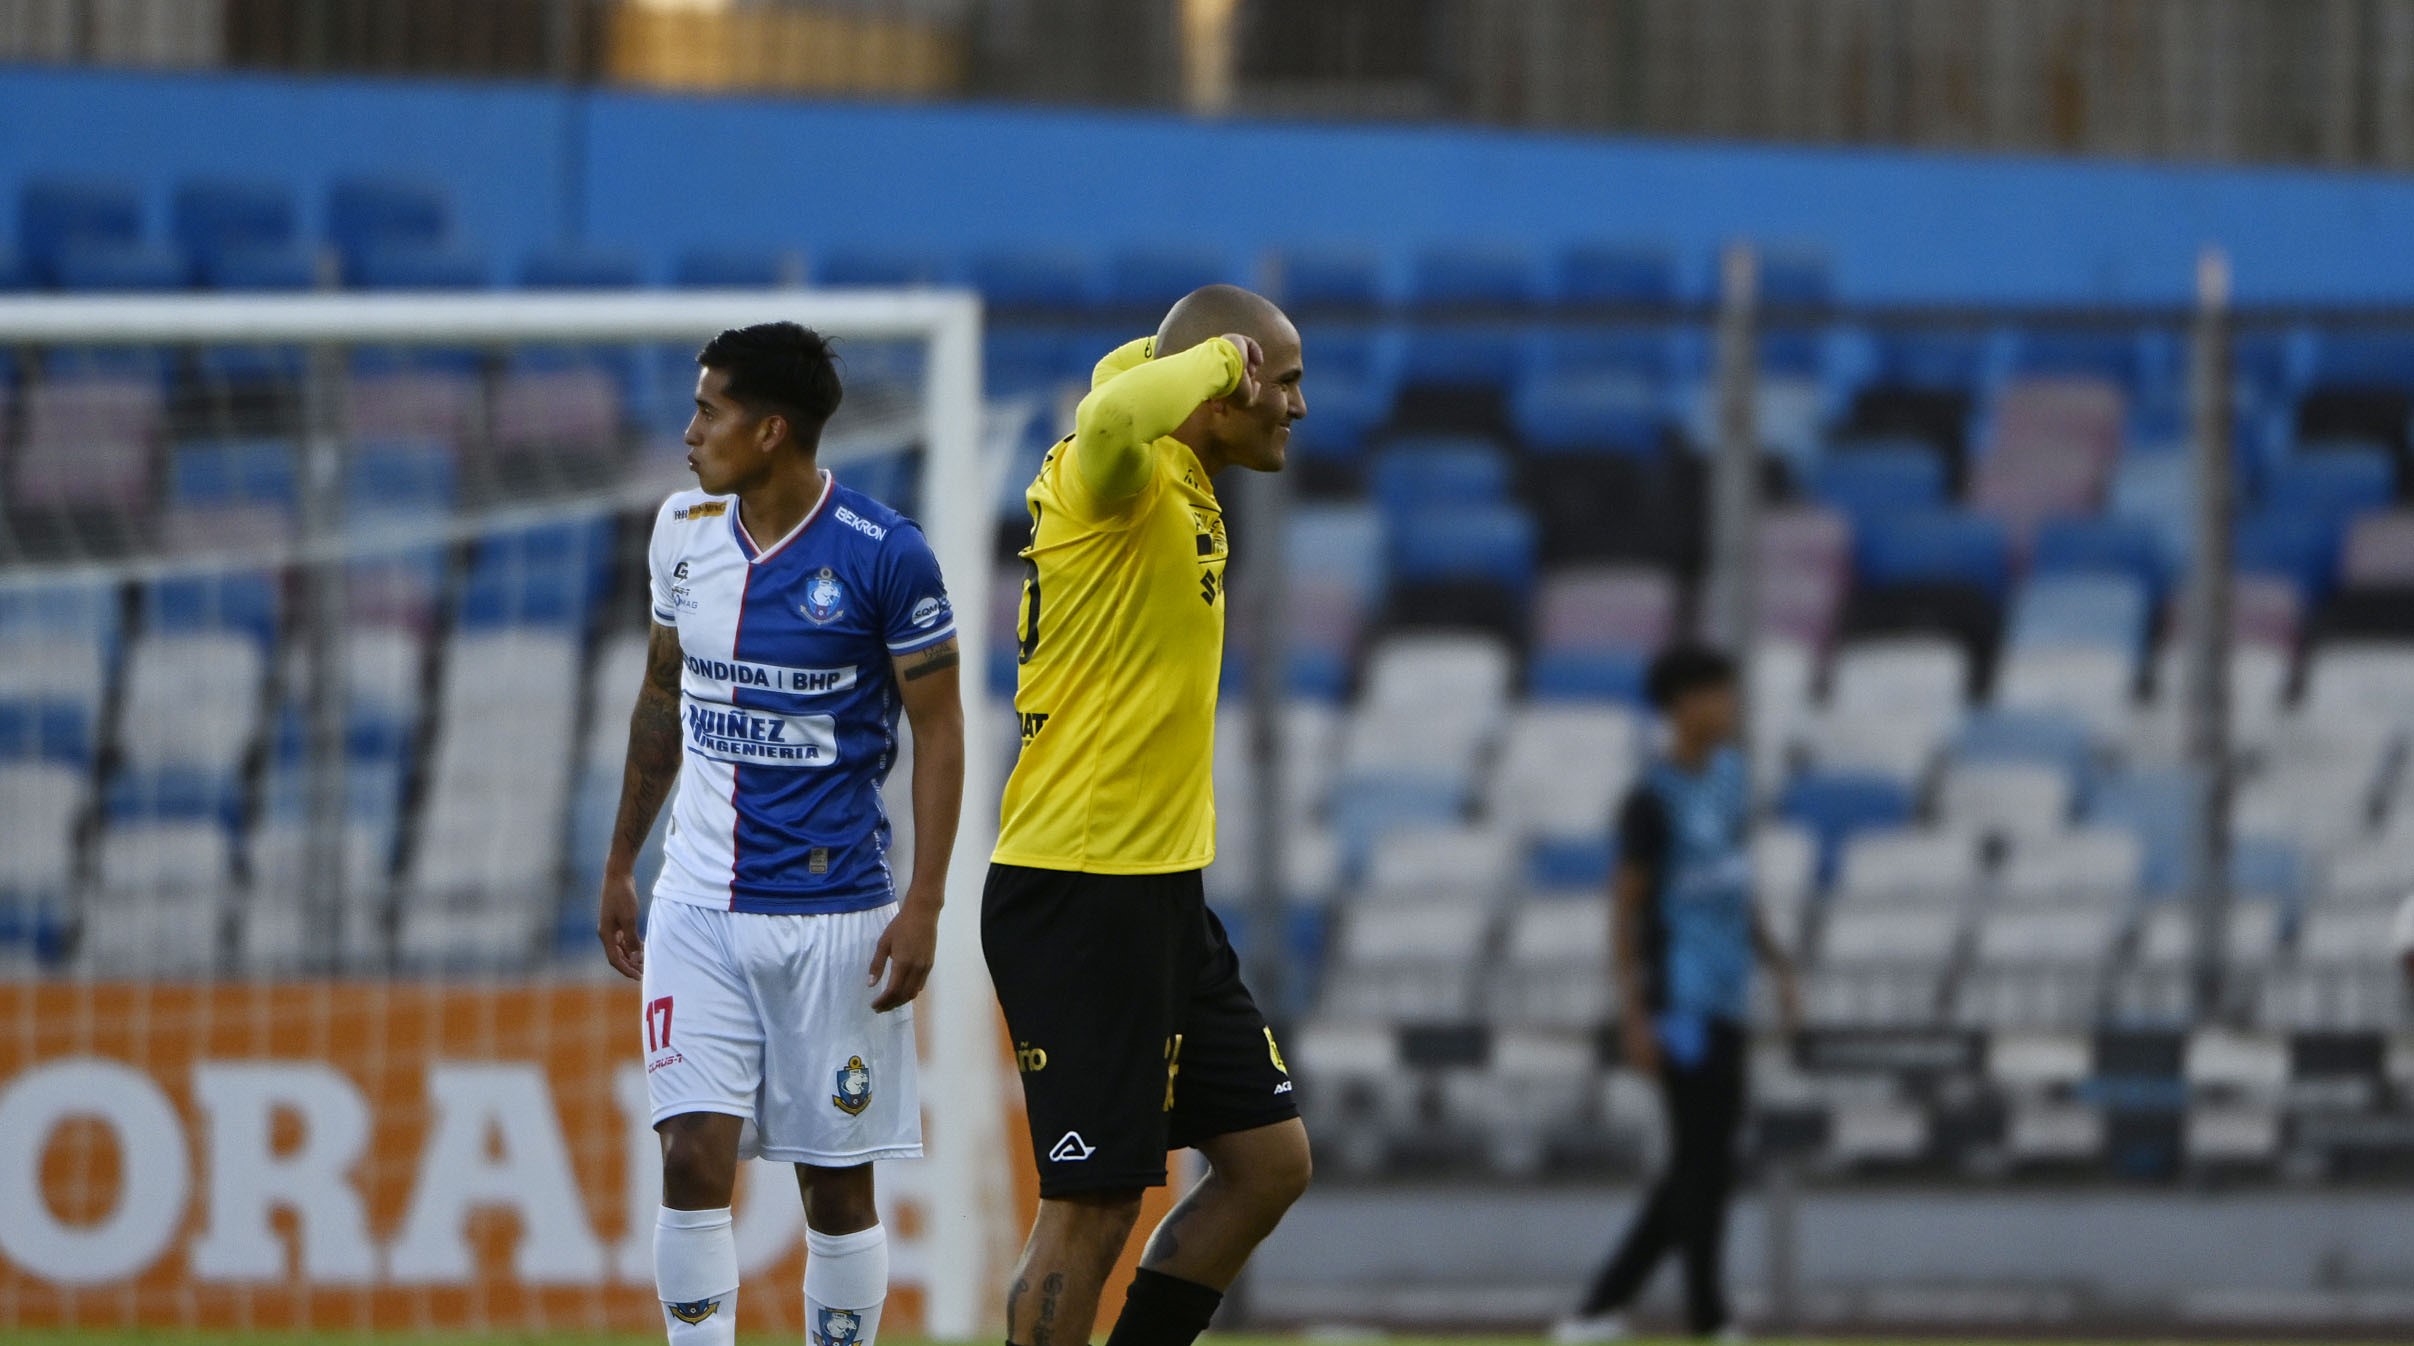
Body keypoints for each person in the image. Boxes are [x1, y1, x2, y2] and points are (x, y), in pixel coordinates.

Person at [596, 322, 964, 1346]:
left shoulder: (886, 556)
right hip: (695, 904)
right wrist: (622, 857)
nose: (688, 431)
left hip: (835, 916)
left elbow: (940, 731)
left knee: (835, 1186)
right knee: (688, 1160)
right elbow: (663, 696)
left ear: (769, 430)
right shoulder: (682, 529)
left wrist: (925, 901)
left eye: (708, 410)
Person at [983, 284, 1314, 1346]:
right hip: (1080, 882)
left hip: (1161, 887)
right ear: (1223, 390)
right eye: (1285, 381)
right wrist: (1221, 356)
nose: (1298, 407)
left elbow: (1129, 385)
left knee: (1268, 1161)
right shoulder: (1114, 477)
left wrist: (1197, 353)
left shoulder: (1177, 468)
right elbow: (1114, 416)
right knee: (1090, 1203)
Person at [1556, 644, 1798, 1344]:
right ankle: (1706, 1317)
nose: (1730, 709)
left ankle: (1601, 1309)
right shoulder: (1651, 800)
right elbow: (1625, 910)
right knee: (1703, 1159)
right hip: (1679, 1005)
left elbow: (1734, 890)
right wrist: (1635, 1014)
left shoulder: (1730, 782)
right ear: (1682, 706)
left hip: (1726, 999)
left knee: (1705, 1162)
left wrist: (1778, 967)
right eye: (1718, 695)